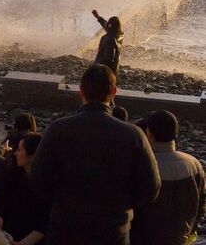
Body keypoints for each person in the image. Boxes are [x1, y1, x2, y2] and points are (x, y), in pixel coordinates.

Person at [30, 64, 160, 245]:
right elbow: (151, 187)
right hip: (113, 232)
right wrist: (121, 205)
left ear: (81, 91)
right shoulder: (133, 135)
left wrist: (61, 204)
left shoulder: (58, 129)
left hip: (65, 228)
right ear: (114, 92)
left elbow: (38, 179)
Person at [130, 111, 206, 245]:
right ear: (175, 134)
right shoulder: (194, 164)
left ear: (149, 135)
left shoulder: (142, 165)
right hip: (180, 237)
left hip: (142, 239)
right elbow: (201, 204)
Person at [0, 133, 47, 245]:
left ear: (32, 156)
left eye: (19, 150)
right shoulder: (7, 171)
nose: (15, 153)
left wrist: (1, 149)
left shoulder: (46, 184)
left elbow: (44, 222)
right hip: (5, 238)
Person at [92, 10, 124, 77]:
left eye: (109, 24)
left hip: (104, 71)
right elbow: (105, 25)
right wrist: (98, 17)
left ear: (110, 25)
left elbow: (107, 59)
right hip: (113, 69)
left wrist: (96, 65)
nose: (107, 25)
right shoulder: (119, 35)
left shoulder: (110, 40)